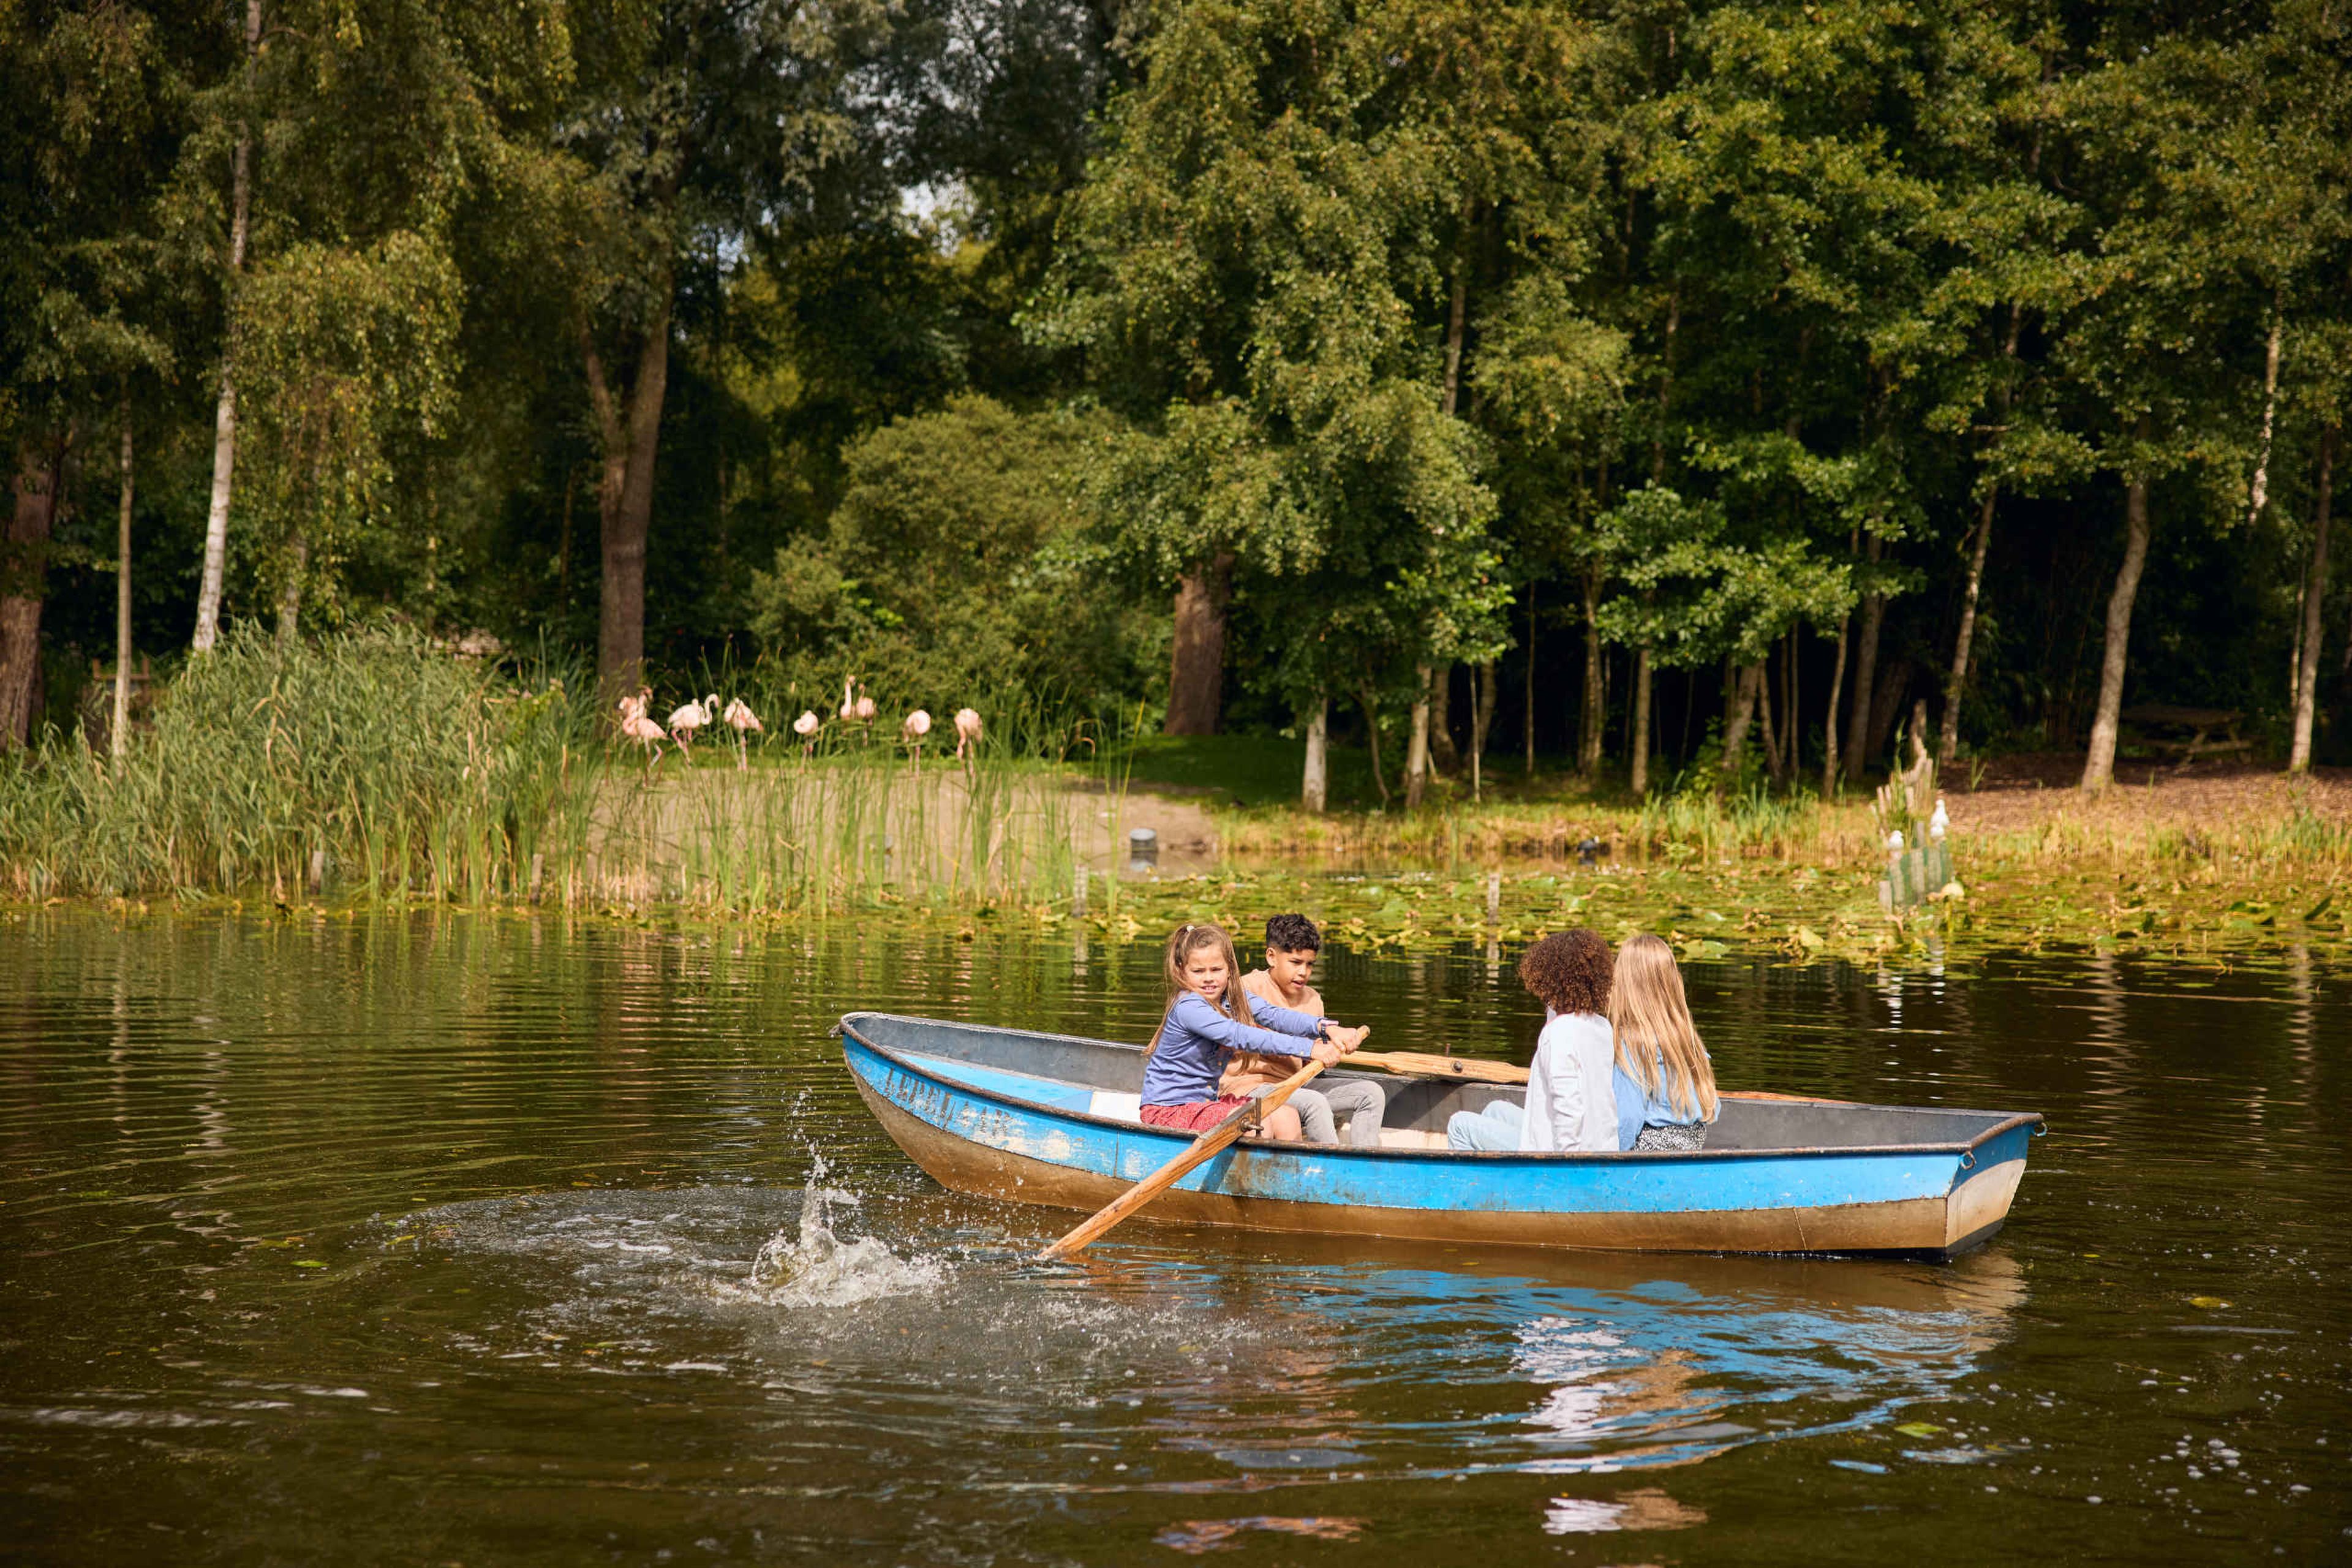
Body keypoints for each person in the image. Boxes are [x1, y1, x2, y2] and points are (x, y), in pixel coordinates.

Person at [1138, 922, 1370, 1141]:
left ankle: (1295, 1177)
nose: (1209, 978)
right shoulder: (1190, 1006)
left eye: (1216, 969)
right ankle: (1251, 1179)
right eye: (1199, 971)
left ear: (1229, 968)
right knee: (1257, 1121)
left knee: (1287, 1116)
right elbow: (1242, 1036)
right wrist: (1310, 1048)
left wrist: (1326, 1028)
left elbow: (1275, 1016)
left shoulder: (1232, 995)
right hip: (1169, 1110)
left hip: (1206, 1104)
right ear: (1182, 971)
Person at [1224, 914, 1387, 1148]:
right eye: (1296, 962)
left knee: (1371, 1093)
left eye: (1310, 964)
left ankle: (1368, 1165)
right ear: (1272, 957)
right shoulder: (1247, 988)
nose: (1304, 972)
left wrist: (1332, 1051)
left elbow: (1309, 1062)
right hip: (1249, 1086)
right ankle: (1331, 1172)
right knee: (1315, 1102)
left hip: (1296, 1085)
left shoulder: (1313, 999)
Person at [1447, 929, 1618, 1153]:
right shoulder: (1602, 1027)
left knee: (1459, 1124)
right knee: (1495, 1109)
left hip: (1560, 1156)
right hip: (1603, 1146)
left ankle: (1475, 1187)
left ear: (1548, 980)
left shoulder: (1558, 1034)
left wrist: (1570, 1165)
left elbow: (1569, 1108)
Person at [1607, 933, 1719, 1151]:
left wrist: (1607, 1160)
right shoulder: (1687, 1039)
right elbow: (1714, 1105)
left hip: (1648, 1152)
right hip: (1693, 1144)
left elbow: (1628, 1118)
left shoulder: (1631, 1043)